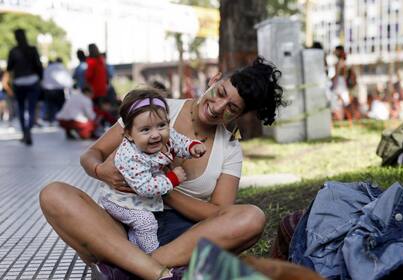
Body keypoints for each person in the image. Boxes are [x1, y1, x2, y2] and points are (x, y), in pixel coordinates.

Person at [39, 56, 287, 280]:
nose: (218, 107)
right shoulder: (154, 107)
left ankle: (128, 270)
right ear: (215, 79)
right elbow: (92, 154)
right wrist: (99, 171)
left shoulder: (230, 148)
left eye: (232, 108)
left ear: (240, 114)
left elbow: (219, 213)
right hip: (120, 223)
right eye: (221, 92)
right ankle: (154, 272)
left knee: (252, 218)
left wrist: (163, 190)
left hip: (179, 239)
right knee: (53, 194)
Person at [101, 87, 206, 256]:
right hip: (120, 201)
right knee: (146, 222)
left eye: (161, 125)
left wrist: (191, 147)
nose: (156, 134)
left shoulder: (166, 135)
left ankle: (134, 242)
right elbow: (145, 187)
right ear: (128, 134)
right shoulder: (130, 156)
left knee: (147, 223)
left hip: (138, 198)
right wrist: (172, 179)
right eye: (145, 130)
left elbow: (178, 141)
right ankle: (152, 256)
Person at [5, 28, 43, 145]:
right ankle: (28, 131)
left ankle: (24, 132)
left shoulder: (13, 51)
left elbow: (9, 68)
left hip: (19, 82)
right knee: (32, 109)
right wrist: (40, 79)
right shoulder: (33, 49)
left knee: (21, 108)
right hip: (32, 81)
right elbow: (39, 66)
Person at [42, 58, 73, 124]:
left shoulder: (49, 68)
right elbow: (68, 82)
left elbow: (44, 79)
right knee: (60, 106)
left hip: (49, 90)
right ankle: (59, 120)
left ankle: (51, 120)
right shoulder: (62, 68)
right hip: (58, 90)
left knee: (50, 106)